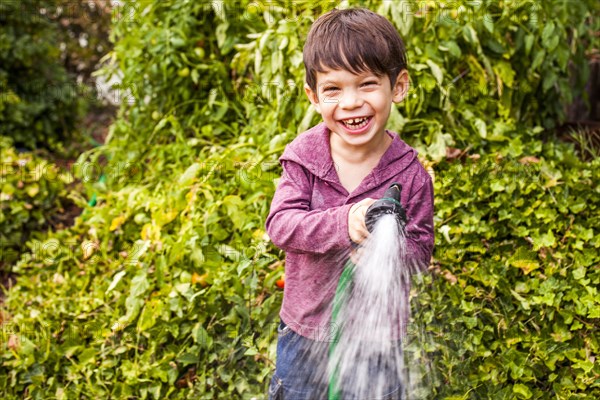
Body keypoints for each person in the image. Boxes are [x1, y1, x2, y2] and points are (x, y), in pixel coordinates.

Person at [265, 7, 434, 399]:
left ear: (399, 86)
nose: (351, 102)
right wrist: (345, 223)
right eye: (334, 89)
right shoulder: (304, 157)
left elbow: (421, 251)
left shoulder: (409, 175)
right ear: (313, 96)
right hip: (306, 334)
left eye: (367, 84)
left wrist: (391, 251)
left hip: (375, 338)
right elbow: (282, 225)